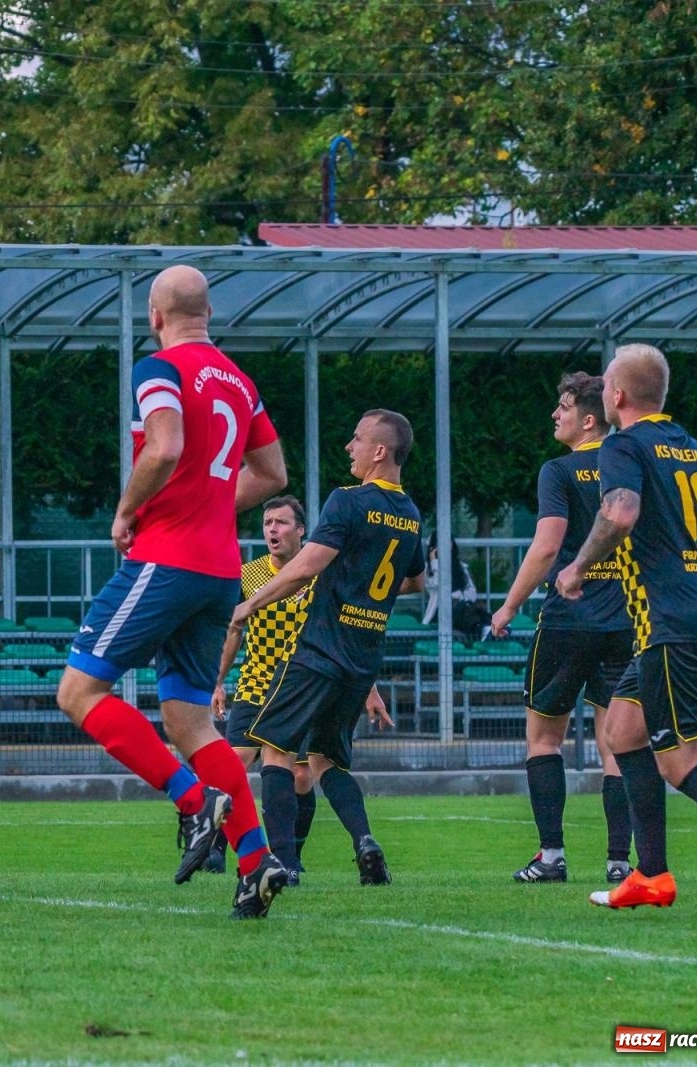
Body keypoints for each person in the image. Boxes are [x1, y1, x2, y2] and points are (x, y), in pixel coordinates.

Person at [55, 264, 290, 921]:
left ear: (156, 317)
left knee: (77, 691)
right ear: (207, 313)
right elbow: (273, 472)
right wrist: (215, 508)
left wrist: (127, 510)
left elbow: (163, 446)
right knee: (192, 721)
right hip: (218, 571)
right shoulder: (241, 383)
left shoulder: (158, 368)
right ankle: (256, 861)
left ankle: (194, 801)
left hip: (166, 561)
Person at [554, 343, 697, 909]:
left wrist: (578, 567)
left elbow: (620, 513)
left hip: (671, 623)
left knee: (682, 762)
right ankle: (650, 875)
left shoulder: (622, 446)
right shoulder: (694, 449)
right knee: (623, 732)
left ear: (618, 395)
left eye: (606, 382)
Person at [237, 410, 427, 888]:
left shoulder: (347, 501)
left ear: (380, 451)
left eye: (358, 439)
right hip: (363, 658)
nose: (350, 446)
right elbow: (414, 582)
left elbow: (306, 567)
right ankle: (365, 842)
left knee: (275, 752)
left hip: (320, 650)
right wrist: (363, 585)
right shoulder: (410, 513)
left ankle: (279, 862)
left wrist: (249, 605)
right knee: (326, 762)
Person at [490, 372, 635, 886]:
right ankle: (620, 860)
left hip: (570, 618)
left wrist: (508, 606)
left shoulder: (560, 470)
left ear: (589, 419)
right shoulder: (632, 465)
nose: (556, 414)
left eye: (565, 406)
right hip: (625, 617)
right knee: (615, 741)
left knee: (544, 738)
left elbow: (548, 546)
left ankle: (551, 855)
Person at [211, 494, 390, 885]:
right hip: (258, 682)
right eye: (268, 523)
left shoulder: (322, 572)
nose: (273, 530)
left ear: (302, 529)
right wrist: (219, 680)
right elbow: (233, 632)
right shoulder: (250, 575)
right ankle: (217, 848)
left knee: (302, 777)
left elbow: (342, 633)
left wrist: (369, 690)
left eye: (281, 522)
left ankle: (291, 854)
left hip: (304, 684)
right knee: (235, 763)